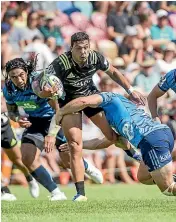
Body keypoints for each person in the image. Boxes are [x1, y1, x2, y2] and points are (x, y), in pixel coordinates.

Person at [34, 31, 145, 201]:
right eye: (79, 48)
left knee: (112, 137)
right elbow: (38, 86)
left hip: (90, 97)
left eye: (86, 47)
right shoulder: (60, 63)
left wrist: (130, 90)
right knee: (74, 145)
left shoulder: (95, 57)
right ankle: (80, 194)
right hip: (69, 102)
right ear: (71, 48)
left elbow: (113, 72)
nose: (83, 51)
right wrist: (44, 92)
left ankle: (132, 153)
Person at [2, 57, 103, 201]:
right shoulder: (8, 89)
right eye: (13, 77)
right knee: (27, 158)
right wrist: (18, 119)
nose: (18, 79)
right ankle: (56, 192)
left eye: (21, 75)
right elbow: (12, 112)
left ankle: (86, 166)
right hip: (35, 122)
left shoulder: (39, 83)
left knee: (67, 161)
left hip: (55, 119)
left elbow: (58, 111)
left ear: (26, 71)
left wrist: (51, 135)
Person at [55, 92, 176, 196]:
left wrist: (60, 112)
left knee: (167, 188)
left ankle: (169, 179)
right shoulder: (117, 118)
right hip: (162, 133)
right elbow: (104, 142)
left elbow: (83, 101)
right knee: (143, 177)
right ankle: (169, 177)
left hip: (151, 139)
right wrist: (79, 145)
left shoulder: (109, 98)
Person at [1, 93, 39, 199]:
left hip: (4, 128)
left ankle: (29, 177)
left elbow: (5, 105)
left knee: (17, 159)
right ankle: (4, 190)